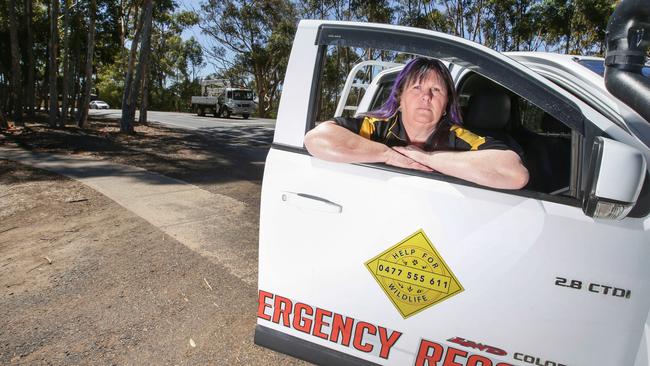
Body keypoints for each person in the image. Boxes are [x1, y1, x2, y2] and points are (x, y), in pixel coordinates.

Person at [304, 57, 529, 190]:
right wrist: (389, 155)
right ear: (400, 97)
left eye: (436, 90)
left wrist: (424, 157)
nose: (426, 97)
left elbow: (514, 173)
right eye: (417, 88)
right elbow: (316, 139)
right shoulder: (374, 127)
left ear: (446, 102)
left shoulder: (459, 137)